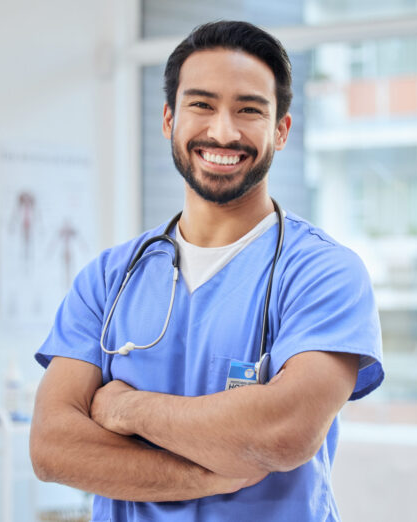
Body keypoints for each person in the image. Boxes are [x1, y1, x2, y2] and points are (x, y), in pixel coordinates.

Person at [29, 20, 384, 522]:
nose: (223, 131)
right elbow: (52, 446)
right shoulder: (109, 278)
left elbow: (284, 433)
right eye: (201, 105)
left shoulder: (323, 274)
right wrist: (210, 473)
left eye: (249, 110)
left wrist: (125, 410)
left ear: (281, 130)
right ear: (169, 118)